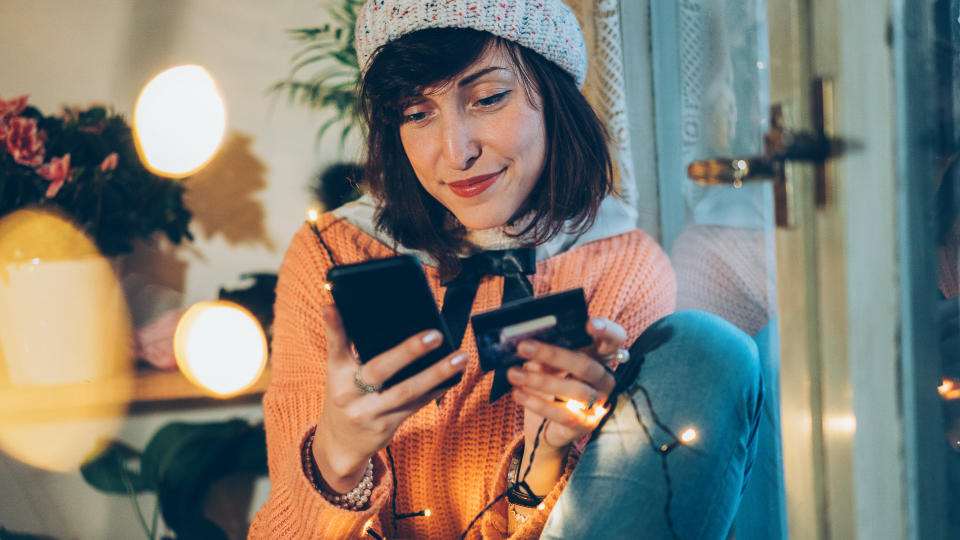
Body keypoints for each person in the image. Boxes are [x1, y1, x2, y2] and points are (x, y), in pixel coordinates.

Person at [250, 1, 762, 538]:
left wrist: (541, 465)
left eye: (490, 98)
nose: (456, 151)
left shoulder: (624, 266)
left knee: (711, 348)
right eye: (417, 113)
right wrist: (336, 461)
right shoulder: (333, 254)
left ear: (554, 96)